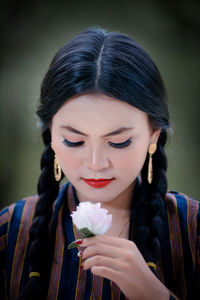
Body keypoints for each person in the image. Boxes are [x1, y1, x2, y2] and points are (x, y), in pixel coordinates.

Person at [0, 27, 199, 300]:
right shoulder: (10, 229)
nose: (96, 164)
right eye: (73, 140)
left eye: (118, 142)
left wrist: (153, 293)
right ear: (52, 136)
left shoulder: (193, 228)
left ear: (153, 133)